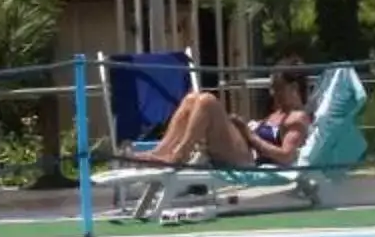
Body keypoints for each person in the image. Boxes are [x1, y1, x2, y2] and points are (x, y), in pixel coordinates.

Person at [131, 66, 311, 168]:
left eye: (278, 88)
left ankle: (178, 157)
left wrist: (249, 135)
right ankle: (160, 152)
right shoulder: (280, 112)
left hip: (249, 160)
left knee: (207, 101)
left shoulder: (297, 118)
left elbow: (286, 156)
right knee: (192, 98)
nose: (273, 93)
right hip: (243, 148)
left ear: (294, 88)